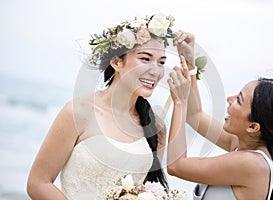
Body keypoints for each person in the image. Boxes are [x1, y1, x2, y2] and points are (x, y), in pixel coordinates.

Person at [27, 13, 177, 199]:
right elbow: (38, 183)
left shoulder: (156, 127)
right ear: (116, 62)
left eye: (161, 62)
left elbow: (144, 192)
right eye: (145, 59)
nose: (155, 70)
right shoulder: (78, 112)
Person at [167, 32, 273, 200]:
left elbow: (176, 165)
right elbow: (195, 116)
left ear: (253, 127)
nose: (230, 99)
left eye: (239, 100)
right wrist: (190, 64)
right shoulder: (240, 146)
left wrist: (179, 102)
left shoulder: (252, 164)